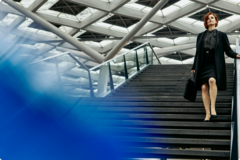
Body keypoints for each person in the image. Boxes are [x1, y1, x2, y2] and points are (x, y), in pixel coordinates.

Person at [191, 12, 240, 121]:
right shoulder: (200, 36)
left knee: (212, 81)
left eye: (212, 18)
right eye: (208, 19)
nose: (210, 20)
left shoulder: (221, 35)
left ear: (216, 21)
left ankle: (213, 108)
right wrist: (194, 66)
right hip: (202, 64)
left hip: (214, 63)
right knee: (203, 88)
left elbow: (227, 50)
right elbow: (197, 53)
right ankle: (207, 114)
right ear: (206, 22)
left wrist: (236, 55)